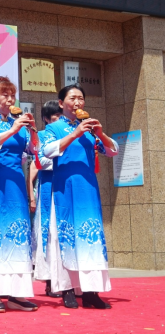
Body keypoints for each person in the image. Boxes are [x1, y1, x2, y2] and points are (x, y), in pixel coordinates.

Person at [41, 84, 118, 309]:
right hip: (64, 190)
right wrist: (75, 134)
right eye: (72, 98)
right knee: (65, 237)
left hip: (88, 190)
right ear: (61, 103)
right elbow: (47, 151)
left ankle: (91, 291)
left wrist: (100, 133)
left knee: (90, 238)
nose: (77, 102)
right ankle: (67, 289)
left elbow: (112, 150)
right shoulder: (54, 128)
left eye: (81, 98)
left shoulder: (91, 129)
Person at [0, 76, 39, 313]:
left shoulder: (18, 122)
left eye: (12, 95)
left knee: (17, 233)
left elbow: (34, 150)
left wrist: (32, 130)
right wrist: (13, 130)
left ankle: (16, 294)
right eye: (4, 94)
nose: (10, 99)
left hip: (15, 182)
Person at [28, 100, 62, 298]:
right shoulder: (41, 136)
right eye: (55, 117)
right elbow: (40, 162)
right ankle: (50, 281)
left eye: (61, 116)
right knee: (49, 232)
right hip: (49, 187)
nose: (59, 120)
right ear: (46, 119)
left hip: (68, 187)